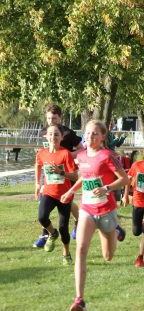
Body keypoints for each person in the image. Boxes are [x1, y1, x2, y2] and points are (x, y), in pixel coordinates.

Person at [60, 120, 128, 311]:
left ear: (102, 137)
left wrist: (106, 188)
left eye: (95, 134)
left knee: (108, 256)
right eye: (88, 133)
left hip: (106, 209)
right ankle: (79, 299)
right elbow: (84, 177)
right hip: (87, 209)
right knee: (81, 249)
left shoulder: (107, 155)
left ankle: (115, 231)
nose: (90, 137)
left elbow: (124, 179)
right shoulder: (81, 156)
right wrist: (71, 191)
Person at [34, 104, 84, 248]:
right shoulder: (44, 131)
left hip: (64, 168)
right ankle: (46, 233)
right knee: (45, 203)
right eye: (49, 118)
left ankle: (77, 221)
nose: (51, 121)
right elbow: (42, 152)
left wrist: (65, 153)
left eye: (54, 118)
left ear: (60, 118)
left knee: (65, 200)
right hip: (49, 170)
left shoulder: (67, 133)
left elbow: (81, 149)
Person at [34, 124, 78, 264]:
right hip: (49, 193)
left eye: (56, 134)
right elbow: (38, 165)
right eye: (51, 134)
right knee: (42, 217)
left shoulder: (65, 154)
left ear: (62, 137)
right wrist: (37, 183)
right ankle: (52, 233)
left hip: (64, 195)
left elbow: (76, 176)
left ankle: (66, 254)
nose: (53, 137)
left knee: (63, 227)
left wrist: (61, 172)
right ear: (46, 136)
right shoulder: (42, 153)